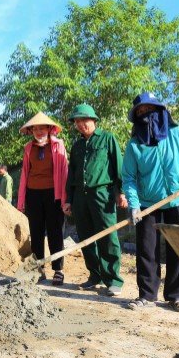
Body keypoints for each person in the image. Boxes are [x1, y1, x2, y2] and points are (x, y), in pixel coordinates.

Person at [122, 92, 179, 311]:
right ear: (136, 118)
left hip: (177, 199)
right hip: (147, 204)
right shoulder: (135, 145)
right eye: (141, 112)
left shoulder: (178, 134)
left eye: (150, 110)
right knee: (146, 250)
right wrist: (134, 204)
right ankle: (147, 295)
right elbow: (128, 178)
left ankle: (178, 296)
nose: (146, 115)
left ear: (161, 112)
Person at [64, 104, 127, 297]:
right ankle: (95, 275)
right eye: (77, 121)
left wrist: (122, 191)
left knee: (108, 236)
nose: (80, 124)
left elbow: (119, 167)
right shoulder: (77, 146)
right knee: (85, 237)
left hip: (102, 194)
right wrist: (69, 200)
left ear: (94, 120)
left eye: (84, 120)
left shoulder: (107, 139)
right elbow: (71, 175)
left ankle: (113, 280)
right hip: (80, 197)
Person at [17, 112, 68, 285]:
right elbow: (24, 173)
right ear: (31, 131)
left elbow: (64, 172)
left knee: (55, 232)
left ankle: (58, 270)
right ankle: (39, 268)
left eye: (42, 128)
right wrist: (21, 200)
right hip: (33, 194)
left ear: (49, 129)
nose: (39, 131)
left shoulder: (58, 145)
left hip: (54, 194)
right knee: (36, 232)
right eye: (35, 129)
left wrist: (64, 198)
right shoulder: (28, 148)